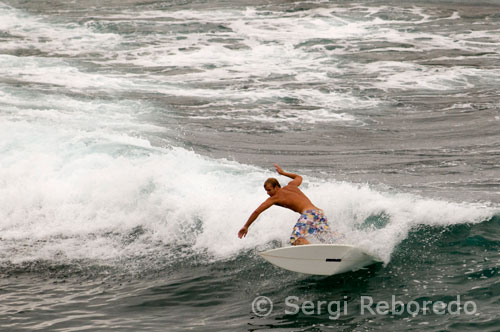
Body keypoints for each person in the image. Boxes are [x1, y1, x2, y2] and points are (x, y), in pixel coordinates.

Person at [238, 164, 330, 245]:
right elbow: (299, 177)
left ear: (277, 187)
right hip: (319, 213)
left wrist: (246, 226)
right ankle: (341, 242)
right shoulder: (291, 186)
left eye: (269, 190)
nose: (268, 193)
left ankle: (313, 253)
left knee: (296, 239)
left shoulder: (275, 198)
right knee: (325, 237)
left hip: (308, 214)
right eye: (266, 191)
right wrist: (283, 173)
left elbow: (257, 211)